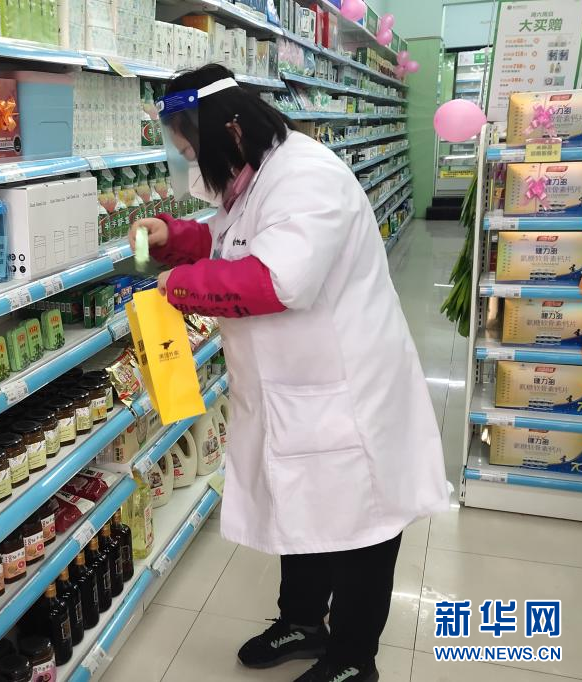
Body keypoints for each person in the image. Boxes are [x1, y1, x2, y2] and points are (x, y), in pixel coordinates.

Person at [129, 64, 448, 682]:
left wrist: (181, 286)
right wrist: (174, 236)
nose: (193, 164)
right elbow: (232, 237)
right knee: (303, 506)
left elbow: (277, 278)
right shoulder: (258, 175)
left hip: (345, 391)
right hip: (291, 389)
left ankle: (353, 659)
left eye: (193, 150)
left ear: (231, 132)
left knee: (360, 523)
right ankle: (303, 620)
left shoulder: (306, 175)